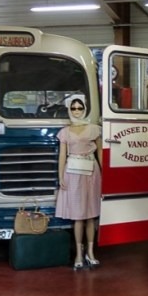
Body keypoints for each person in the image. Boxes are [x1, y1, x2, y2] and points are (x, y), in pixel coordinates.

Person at [55, 94, 102, 270]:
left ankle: (91, 252)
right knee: (77, 216)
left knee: (91, 214)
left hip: (91, 171)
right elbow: (62, 155)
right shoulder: (65, 132)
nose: (76, 111)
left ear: (85, 110)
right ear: (69, 110)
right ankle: (79, 254)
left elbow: (100, 153)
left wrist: (106, 173)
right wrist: (60, 176)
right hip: (72, 172)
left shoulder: (93, 129)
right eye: (73, 108)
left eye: (79, 108)